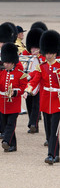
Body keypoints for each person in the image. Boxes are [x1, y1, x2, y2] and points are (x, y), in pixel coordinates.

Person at [23, 30, 60, 165]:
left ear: (55, 52)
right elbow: (34, 81)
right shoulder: (41, 67)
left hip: (57, 102)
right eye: (47, 52)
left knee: (54, 129)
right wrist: (27, 90)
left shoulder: (59, 66)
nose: (48, 55)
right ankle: (56, 153)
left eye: (51, 53)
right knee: (49, 130)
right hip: (45, 101)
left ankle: (51, 155)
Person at [0, 43, 28, 153]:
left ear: (13, 62)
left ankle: (6, 141)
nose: (6, 64)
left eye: (8, 63)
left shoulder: (20, 74)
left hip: (14, 104)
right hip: (3, 103)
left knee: (11, 124)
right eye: (5, 62)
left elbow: (24, 87)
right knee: (6, 124)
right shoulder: (0, 72)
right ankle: (13, 145)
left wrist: (15, 92)